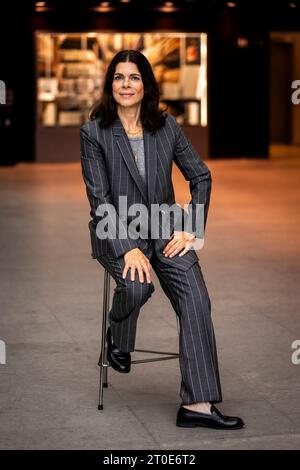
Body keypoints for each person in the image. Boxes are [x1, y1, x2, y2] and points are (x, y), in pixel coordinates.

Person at [80, 49, 244, 430]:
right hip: (116, 230)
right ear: (110, 84)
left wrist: (192, 229)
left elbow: (200, 176)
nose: (126, 84)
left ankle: (197, 406)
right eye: (119, 77)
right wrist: (128, 247)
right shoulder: (94, 133)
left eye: (134, 77)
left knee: (197, 298)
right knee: (136, 287)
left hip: (167, 231)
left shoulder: (166, 127)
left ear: (146, 84)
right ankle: (117, 339)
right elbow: (99, 199)